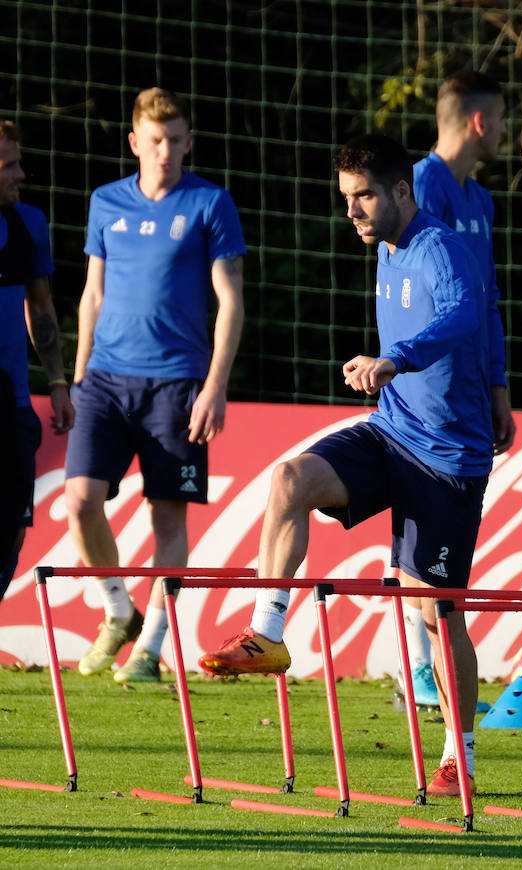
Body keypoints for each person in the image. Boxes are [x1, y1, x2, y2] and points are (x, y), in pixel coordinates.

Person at [199, 133, 496, 798]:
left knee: (433, 611)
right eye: (345, 199)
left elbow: (466, 312)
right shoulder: (385, 248)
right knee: (289, 480)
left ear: (399, 191)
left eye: (363, 196)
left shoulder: (439, 246)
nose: (352, 211)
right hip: (393, 431)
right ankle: (269, 633)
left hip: (449, 457)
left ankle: (460, 754)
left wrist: (399, 359)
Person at [65, 88, 245, 683]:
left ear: (189, 142)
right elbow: (92, 291)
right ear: (135, 142)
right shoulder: (105, 202)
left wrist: (216, 385)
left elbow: (230, 300)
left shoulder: (210, 204)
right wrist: (79, 368)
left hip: (178, 386)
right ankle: (118, 610)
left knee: (168, 519)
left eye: (176, 140)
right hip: (105, 383)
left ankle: (151, 648)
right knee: (81, 499)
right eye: (155, 140)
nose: (165, 151)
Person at [396, 69, 515, 708]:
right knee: (420, 525)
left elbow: (486, 300)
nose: (503, 131)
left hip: (469, 392)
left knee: (430, 529)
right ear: (476, 121)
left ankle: (415, 669)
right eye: (498, 119)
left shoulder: (480, 199)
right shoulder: (421, 184)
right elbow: (412, 290)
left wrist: (498, 387)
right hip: (423, 388)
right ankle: (414, 668)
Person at [0, 120, 75, 604]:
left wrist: (59, 382)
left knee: (11, 532)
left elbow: (41, 308)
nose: (21, 174)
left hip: (12, 405)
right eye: (9, 165)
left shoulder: (29, 223)